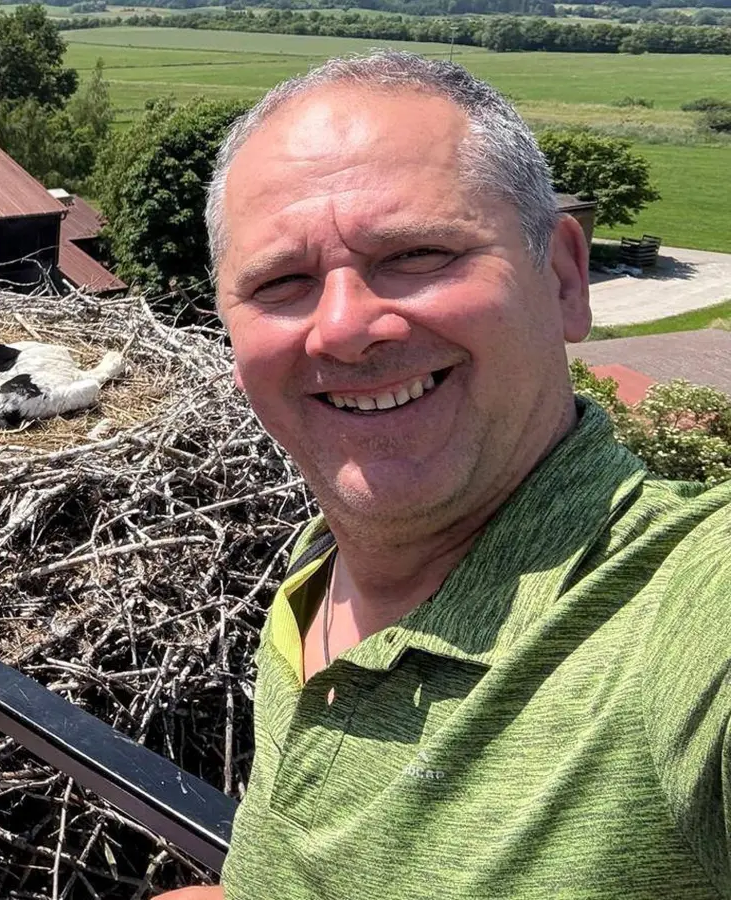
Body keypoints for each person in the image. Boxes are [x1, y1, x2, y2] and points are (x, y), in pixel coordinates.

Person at [161, 52, 731, 899]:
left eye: (419, 254)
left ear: (566, 279)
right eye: (283, 282)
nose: (345, 329)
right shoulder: (323, 571)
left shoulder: (681, 610)